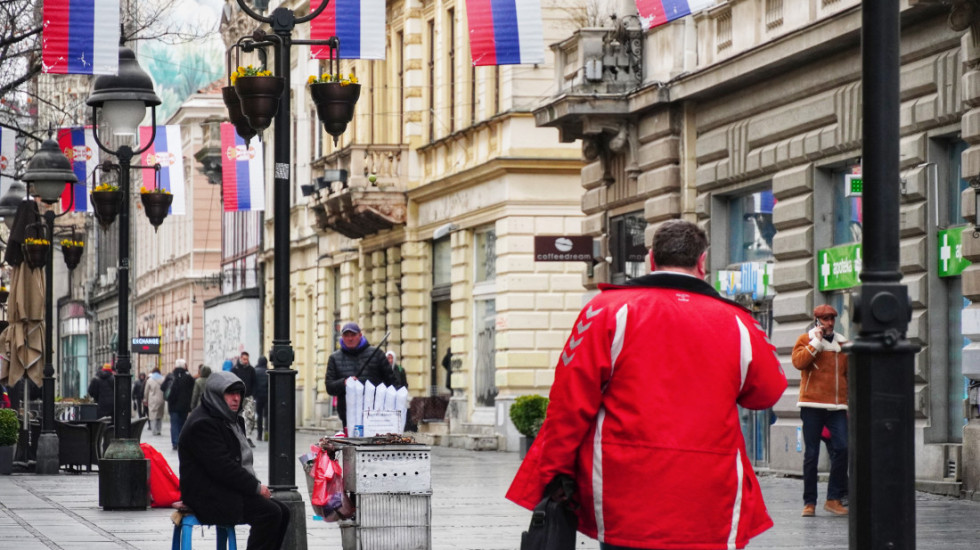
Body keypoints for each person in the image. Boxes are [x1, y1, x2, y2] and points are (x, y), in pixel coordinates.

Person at [506, 220, 787, 550]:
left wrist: (552, 472)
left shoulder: (605, 311)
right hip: (708, 495)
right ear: (702, 263)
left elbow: (569, 403)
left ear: (651, 259)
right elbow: (767, 391)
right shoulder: (740, 322)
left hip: (624, 493)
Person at [178, 371, 290, 550]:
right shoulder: (202, 424)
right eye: (230, 394)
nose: (236, 399)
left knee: (283, 511)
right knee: (270, 513)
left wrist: (253, 487)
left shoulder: (229, 419)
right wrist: (255, 487)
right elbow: (223, 468)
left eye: (239, 394)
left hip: (225, 489)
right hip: (207, 495)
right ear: (216, 395)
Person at [791, 304, 849, 517]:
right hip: (811, 404)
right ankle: (810, 502)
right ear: (817, 321)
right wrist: (816, 342)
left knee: (842, 448)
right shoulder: (805, 340)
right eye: (825, 319)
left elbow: (849, 375)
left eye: (832, 318)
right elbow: (798, 363)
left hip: (837, 406)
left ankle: (833, 498)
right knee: (812, 454)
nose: (830, 323)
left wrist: (849, 402)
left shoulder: (843, 343)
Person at [325, 322, 395, 430]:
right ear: (342, 337)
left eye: (353, 335)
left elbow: (392, 382)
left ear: (360, 335)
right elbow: (329, 387)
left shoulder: (377, 354)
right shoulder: (334, 358)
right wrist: (344, 382)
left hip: (375, 415)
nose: (350, 338)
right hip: (348, 416)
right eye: (346, 336)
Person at [167, 359, 195, 450]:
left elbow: (163, 387)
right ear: (184, 366)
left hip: (173, 405)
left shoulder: (171, 376)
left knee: (174, 424)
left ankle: (175, 442)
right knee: (182, 424)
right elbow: (192, 390)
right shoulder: (188, 377)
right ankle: (181, 441)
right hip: (184, 406)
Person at [232, 352, 257, 447]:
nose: (246, 361)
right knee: (236, 416)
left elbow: (255, 382)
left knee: (250, 416)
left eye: (247, 359)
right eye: (244, 359)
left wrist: (254, 394)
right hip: (237, 395)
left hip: (248, 396)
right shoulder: (235, 369)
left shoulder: (251, 370)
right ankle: (237, 436)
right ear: (241, 358)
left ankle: (248, 436)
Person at [144, 367, 166, 436]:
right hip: (161, 399)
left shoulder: (150, 380)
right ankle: (159, 430)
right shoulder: (163, 379)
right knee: (160, 415)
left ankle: (154, 430)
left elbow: (146, 391)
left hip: (152, 400)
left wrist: (145, 400)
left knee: (153, 415)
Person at [253, 356, 269, 442]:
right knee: (266, 416)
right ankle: (266, 433)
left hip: (258, 397)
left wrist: (254, 395)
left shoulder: (255, 371)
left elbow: (254, 384)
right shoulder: (268, 372)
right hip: (267, 396)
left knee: (259, 416)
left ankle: (259, 435)